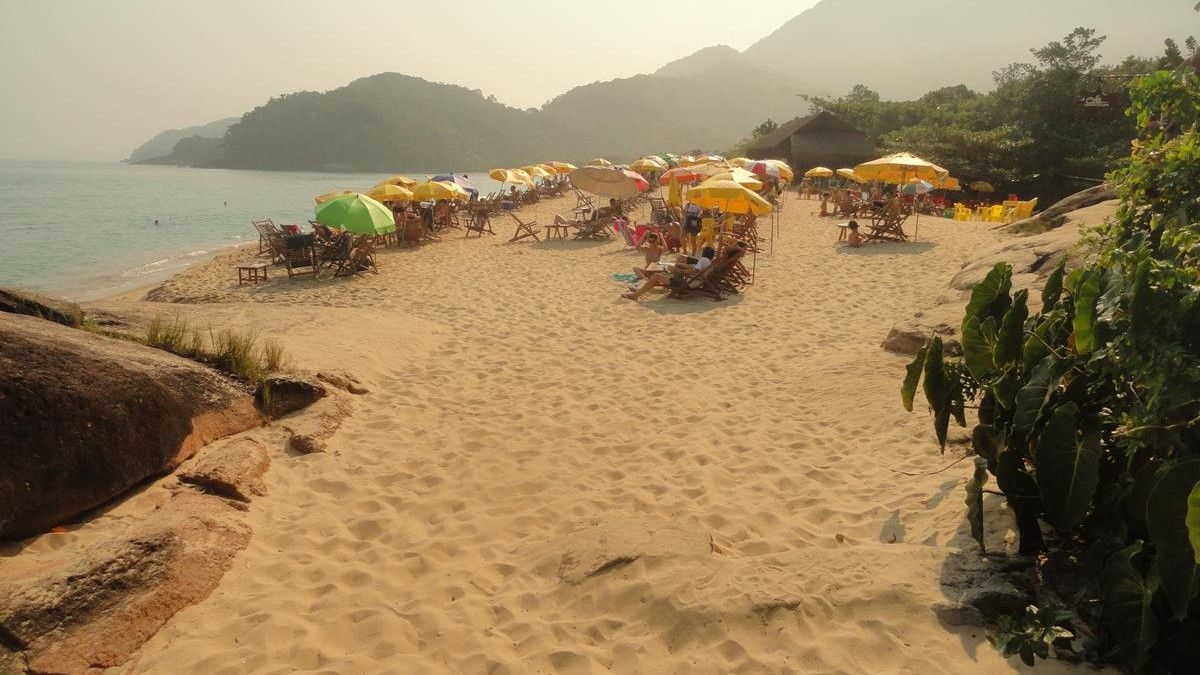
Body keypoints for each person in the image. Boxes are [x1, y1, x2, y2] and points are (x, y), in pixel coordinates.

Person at [623, 246, 715, 301]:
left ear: (704, 253)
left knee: (656, 276)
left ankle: (636, 295)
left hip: (688, 283)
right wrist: (681, 268)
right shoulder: (708, 262)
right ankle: (641, 291)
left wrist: (677, 271)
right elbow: (696, 271)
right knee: (661, 276)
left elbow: (695, 271)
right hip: (692, 281)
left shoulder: (703, 260)